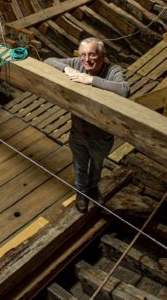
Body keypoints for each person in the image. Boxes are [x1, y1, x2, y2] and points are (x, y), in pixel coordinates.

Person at [45, 38, 129, 213]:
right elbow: (48, 61)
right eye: (83, 54)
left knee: (97, 166)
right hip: (78, 132)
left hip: (101, 136)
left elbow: (123, 89)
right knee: (80, 166)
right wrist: (66, 68)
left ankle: (93, 188)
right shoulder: (78, 63)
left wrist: (89, 80)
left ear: (103, 56)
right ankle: (82, 192)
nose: (86, 60)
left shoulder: (112, 70)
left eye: (92, 54)